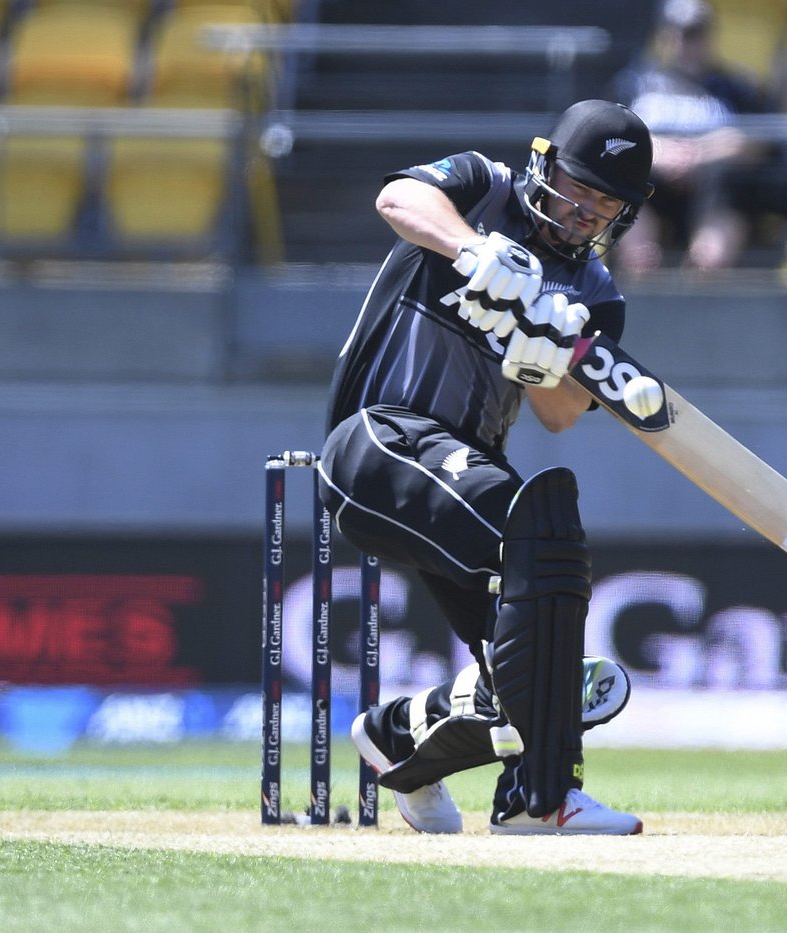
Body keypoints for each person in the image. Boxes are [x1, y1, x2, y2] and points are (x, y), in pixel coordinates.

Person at [318, 100, 653, 836]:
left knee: (529, 675)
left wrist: (539, 359)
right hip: (375, 441)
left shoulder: (595, 294)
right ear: (545, 163)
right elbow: (396, 197)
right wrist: (474, 251)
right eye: (578, 186)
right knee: (541, 528)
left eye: (606, 202)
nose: (585, 210)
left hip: (464, 481)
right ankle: (547, 799)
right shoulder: (482, 186)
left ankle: (405, 740)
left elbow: (563, 414)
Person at [607, 0, 774, 275]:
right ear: (662, 34)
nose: (687, 42)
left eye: (696, 33)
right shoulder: (633, 83)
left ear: (711, 36)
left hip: (715, 184)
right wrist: (659, 152)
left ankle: (705, 270)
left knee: (725, 184)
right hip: (650, 179)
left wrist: (696, 154)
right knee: (629, 179)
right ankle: (640, 271)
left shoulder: (736, 87)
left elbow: (756, 142)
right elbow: (611, 134)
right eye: (680, 32)